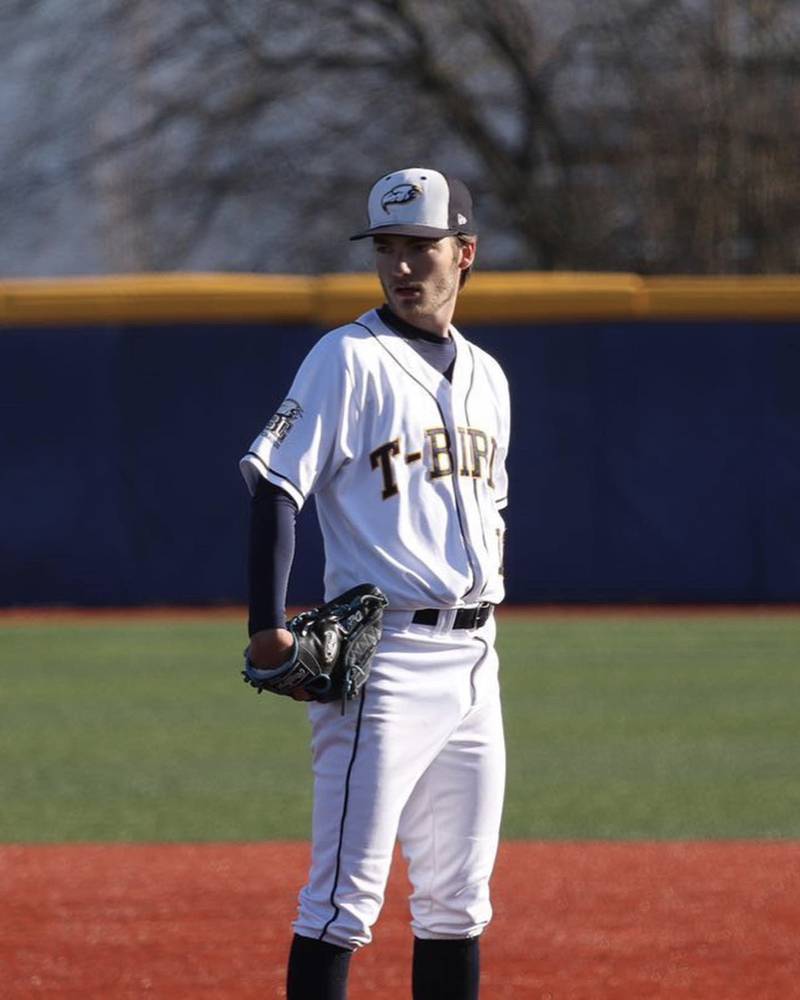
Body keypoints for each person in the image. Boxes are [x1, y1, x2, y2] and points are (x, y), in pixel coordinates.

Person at [240, 166, 510, 1000]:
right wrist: (266, 625)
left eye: (419, 247)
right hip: (383, 660)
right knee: (341, 904)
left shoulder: (490, 378)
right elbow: (277, 485)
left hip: (476, 660)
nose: (401, 265)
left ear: (463, 253)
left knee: (457, 905)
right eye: (387, 247)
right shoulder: (346, 358)